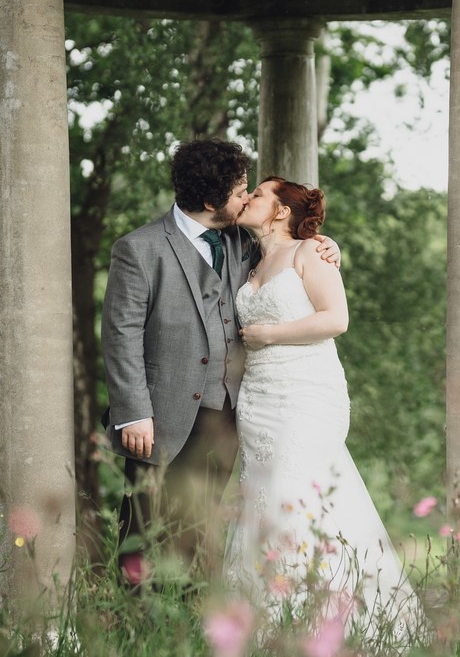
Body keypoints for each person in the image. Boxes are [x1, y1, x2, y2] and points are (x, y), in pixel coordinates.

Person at [101, 140, 334, 589]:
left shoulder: (241, 240)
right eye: (240, 190)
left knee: (202, 532)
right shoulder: (139, 249)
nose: (247, 198)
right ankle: (133, 630)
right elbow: (120, 335)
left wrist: (325, 244)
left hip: (226, 416)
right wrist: (133, 412)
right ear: (211, 201)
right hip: (158, 417)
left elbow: (289, 255)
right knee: (144, 531)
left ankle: (189, 632)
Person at [222, 176, 426, 642]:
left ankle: (324, 624)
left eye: (258, 195)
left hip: (306, 394)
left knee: (299, 500)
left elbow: (337, 318)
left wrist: (269, 334)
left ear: (280, 211)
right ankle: (261, 626)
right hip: (258, 399)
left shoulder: (308, 252)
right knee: (261, 501)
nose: (248, 198)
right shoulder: (249, 256)